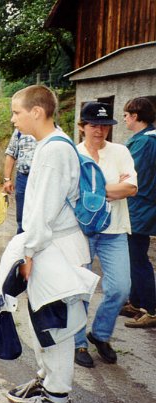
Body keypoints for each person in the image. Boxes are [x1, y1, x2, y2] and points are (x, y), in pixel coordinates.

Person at [6, 85, 90, 403]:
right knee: (47, 323)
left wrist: (28, 253)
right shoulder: (49, 145)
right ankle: (46, 381)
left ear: (37, 112)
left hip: (55, 249)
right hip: (51, 247)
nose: (13, 119)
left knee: (55, 327)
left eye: (17, 112)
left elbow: (42, 210)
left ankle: (56, 400)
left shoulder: (54, 150)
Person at [71, 102, 137, 368]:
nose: (99, 131)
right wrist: (113, 188)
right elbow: (71, 193)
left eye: (105, 126)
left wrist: (93, 191)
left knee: (121, 288)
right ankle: (78, 342)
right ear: (82, 127)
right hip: (81, 232)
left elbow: (131, 188)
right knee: (79, 288)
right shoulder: (73, 155)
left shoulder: (120, 151)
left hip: (115, 230)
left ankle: (100, 334)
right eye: (93, 125)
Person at [122, 97, 156, 328]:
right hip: (141, 206)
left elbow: (132, 176)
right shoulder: (147, 138)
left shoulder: (145, 143)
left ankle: (152, 310)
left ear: (135, 116)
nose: (124, 118)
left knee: (137, 258)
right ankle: (135, 301)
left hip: (140, 207)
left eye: (126, 115)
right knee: (134, 255)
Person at [3, 129, 37, 234]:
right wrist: (7, 179)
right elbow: (11, 154)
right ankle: (22, 243)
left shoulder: (54, 130)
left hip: (43, 178)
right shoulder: (20, 131)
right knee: (22, 216)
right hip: (23, 178)